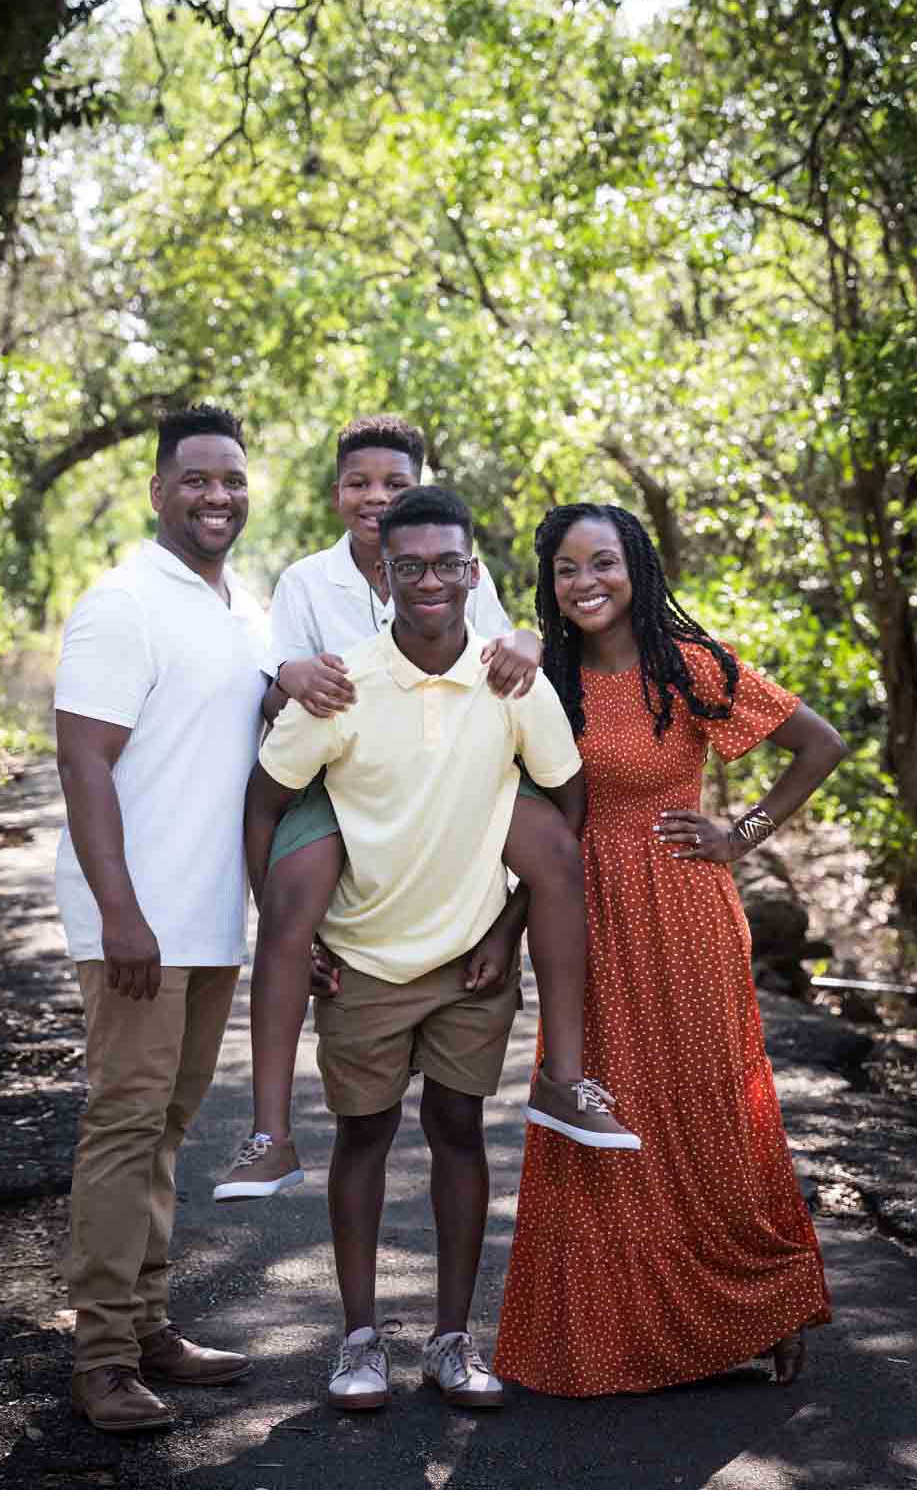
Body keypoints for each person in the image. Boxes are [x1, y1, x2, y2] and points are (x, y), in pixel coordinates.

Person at [214, 416, 636, 1203]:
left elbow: (504, 637)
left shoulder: (445, 554)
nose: (376, 497)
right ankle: (270, 1132)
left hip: (460, 764)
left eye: (394, 483)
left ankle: (565, 1075)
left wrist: (529, 644)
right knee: (294, 888)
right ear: (336, 494)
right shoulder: (310, 580)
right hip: (348, 772)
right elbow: (279, 687)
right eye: (359, 483)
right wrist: (299, 675)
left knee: (552, 851)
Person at [241, 485, 598, 1411]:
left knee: (458, 1132)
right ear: (385, 578)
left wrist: (510, 927)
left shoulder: (513, 678)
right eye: (412, 567)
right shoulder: (342, 684)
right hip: (366, 956)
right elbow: (266, 801)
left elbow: (567, 810)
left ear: (473, 574)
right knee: (364, 1134)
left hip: (470, 963)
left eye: (448, 564)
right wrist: (292, 924)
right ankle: (358, 1340)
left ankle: (450, 1339)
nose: (431, 580)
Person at [494, 502, 845, 1399]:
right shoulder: (546, 679)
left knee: (705, 1110)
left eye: (602, 563)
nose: (587, 584)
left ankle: (760, 1305)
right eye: (567, 570)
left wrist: (742, 833)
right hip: (581, 922)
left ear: (635, 566)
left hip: (684, 912)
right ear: (551, 583)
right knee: (596, 1113)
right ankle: (608, 1337)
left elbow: (820, 743)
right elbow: (522, 814)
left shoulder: (687, 668)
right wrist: (502, 932)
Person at [54, 406, 267, 1433]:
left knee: (169, 1129)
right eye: (195, 479)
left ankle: (145, 1326)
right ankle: (100, 1359)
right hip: (136, 923)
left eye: (230, 477)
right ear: (157, 491)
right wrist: (120, 910)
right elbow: (83, 759)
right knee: (124, 1125)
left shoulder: (247, 607)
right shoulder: (123, 603)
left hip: (210, 919)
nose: (216, 495)